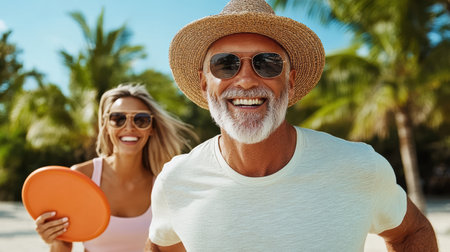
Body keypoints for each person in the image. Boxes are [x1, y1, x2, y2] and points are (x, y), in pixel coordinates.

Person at [146, 0, 438, 251]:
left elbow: (413, 232)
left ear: (290, 80)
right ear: (203, 83)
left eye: (268, 63)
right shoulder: (176, 181)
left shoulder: (359, 167)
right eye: (225, 64)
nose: (246, 80)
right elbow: (160, 246)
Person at [34, 83, 195, 251]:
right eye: (118, 118)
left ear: (152, 128)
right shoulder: (82, 176)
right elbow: (63, 246)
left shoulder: (165, 184)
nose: (129, 127)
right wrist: (55, 238)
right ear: (106, 125)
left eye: (141, 119)